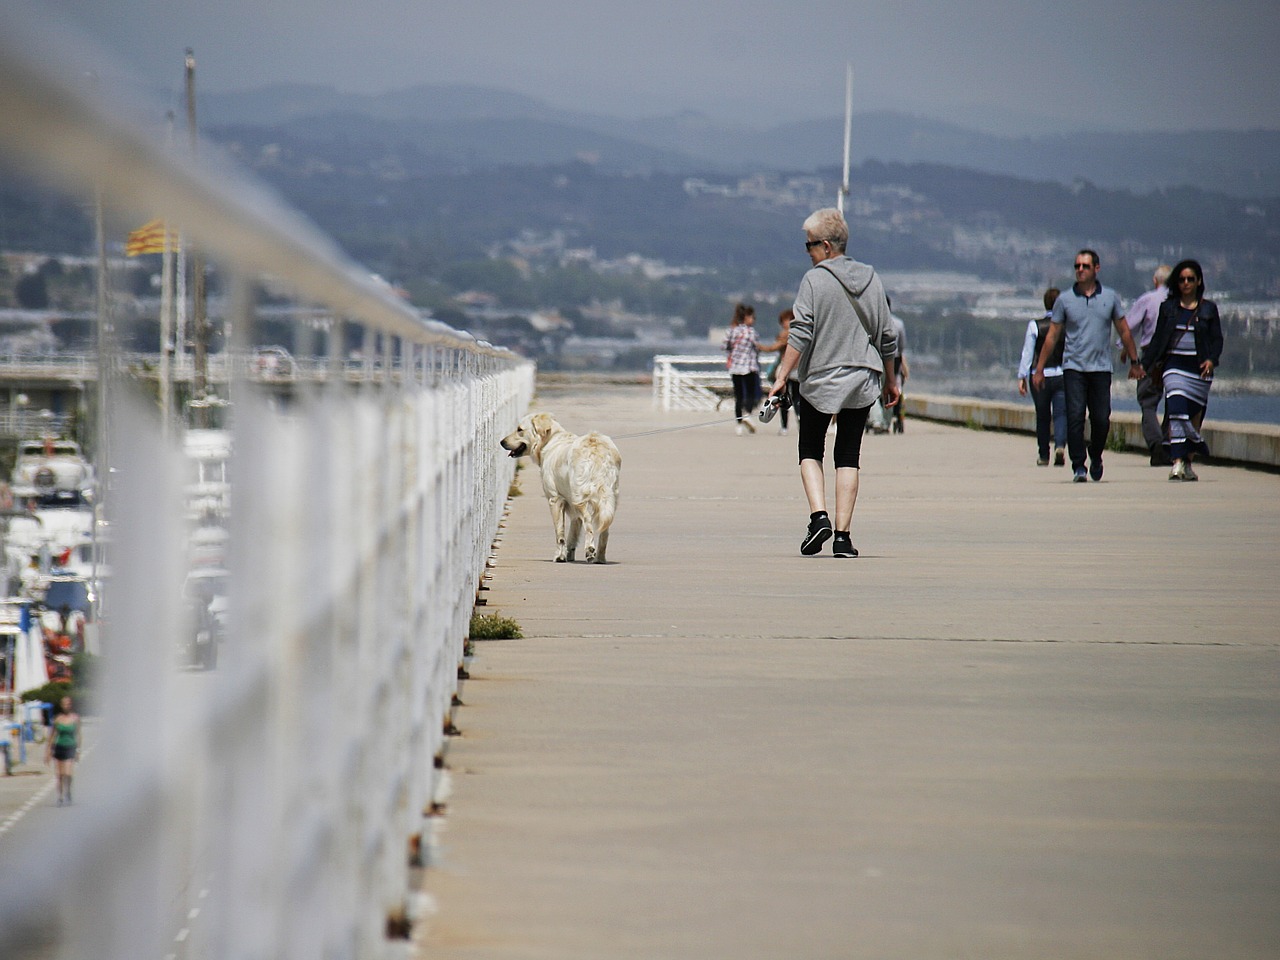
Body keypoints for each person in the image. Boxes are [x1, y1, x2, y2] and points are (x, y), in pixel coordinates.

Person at [766, 208, 898, 558]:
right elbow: (887, 335)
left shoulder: (814, 280)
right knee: (849, 456)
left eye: (809, 245)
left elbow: (801, 331)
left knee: (810, 449)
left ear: (825, 246)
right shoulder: (871, 277)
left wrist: (782, 376)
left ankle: (819, 517)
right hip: (862, 378)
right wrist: (891, 380)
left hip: (821, 378)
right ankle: (843, 537)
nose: (807, 252)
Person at [1033, 249, 1143, 482]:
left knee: (1101, 418)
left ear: (1096, 268)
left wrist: (1135, 361)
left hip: (1101, 369)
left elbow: (1123, 329)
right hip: (1074, 368)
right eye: (1077, 266)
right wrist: (1039, 369)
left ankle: (1096, 454)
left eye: (1085, 266)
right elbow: (1052, 335)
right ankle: (1078, 465)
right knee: (1074, 416)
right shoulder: (1065, 299)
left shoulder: (1110, 297)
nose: (1080, 270)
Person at [1140, 259, 1223, 482]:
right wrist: (1144, 365)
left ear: (1198, 282)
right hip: (1173, 367)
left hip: (1199, 371)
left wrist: (1212, 361)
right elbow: (1158, 340)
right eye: (1182, 279)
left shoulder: (1208, 309)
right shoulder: (1168, 309)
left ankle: (1188, 460)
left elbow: (1217, 340)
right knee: (1176, 410)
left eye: (1190, 279)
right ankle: (1176, 462)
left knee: (1194, 417)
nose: (1186, 283)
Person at [1124, 264, 1174, 464]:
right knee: (1174, 401)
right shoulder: (1178, 302)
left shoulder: (1148, 299)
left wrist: (1124, 349)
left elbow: (1128, 327)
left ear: (1155, 281)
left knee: (1148, 403)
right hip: (1175, 356)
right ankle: (1169, 442)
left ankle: (1156, 445)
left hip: (1150, 356)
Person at [1017, 287, 1067, 466]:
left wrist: (1022, 376)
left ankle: (1043, 454)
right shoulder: (1066, 326)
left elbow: (1028, 353)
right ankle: (1060, 445)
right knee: (1061, 414)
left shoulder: (1035, 325)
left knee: (1043, 415)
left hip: (1039, 376)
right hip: (1061, 374)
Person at [723, 302, 760, 435]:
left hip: (735, 367)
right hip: (749, 366)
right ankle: (747, 414)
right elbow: (756, 347)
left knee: (738, 396)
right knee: (751, 394)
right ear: (747, 317)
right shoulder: (751, 332)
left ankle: (738, 425)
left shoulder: (731, 331)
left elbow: (725, 346)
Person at [757, 308, 794, 434]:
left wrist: (760, 347)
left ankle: (784, 427)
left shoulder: (787, 334)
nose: (784, 323)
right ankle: (794, 423)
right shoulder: (798, 332)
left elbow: (774, 347)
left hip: (787, 369)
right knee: (796, 398)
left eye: (786, 320)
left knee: (782, 397)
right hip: (795, 370)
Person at [45, 694, 80, 806]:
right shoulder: (58, 719)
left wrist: (78, 750)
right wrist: (48, 751)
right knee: (59, 775)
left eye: (68, 703)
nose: (67, 705)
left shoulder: (75, 718)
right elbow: (52, 735)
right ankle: (60, 796)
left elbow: (78, 735)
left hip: (70, 747)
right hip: (59, 747)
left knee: (68, 774)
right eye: (65, 703)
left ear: (71, 705)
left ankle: (68, 791)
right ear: (61, 705)